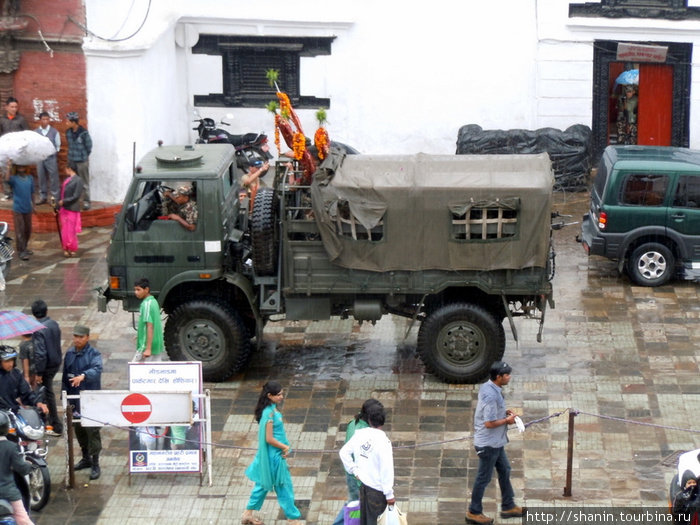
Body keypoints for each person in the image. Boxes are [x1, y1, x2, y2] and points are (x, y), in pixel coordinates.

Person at [466, 361, 525, 524]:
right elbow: (489, 423)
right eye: (506, 375)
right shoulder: (491, 395)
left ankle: (508, 505)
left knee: (505, 469)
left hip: (496, 442)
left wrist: (503, 412)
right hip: (488, 444)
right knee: (483, 478)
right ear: (498, 377)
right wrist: (507, 420)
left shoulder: (489, 387)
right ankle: (473, 511)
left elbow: (490, 412)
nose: (509, 377)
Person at [242, 381, 302, 525]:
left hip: (274, 455)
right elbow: (268, 438)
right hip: (274, 458)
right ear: (270, 396)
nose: (282, 396)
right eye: (279, 394)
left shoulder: (271, 409)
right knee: (284, 486)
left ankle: (247, 514)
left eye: (282, 393)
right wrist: (285, 447)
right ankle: (292, 518)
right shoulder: (269, 414)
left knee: (262, 486)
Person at [339, 402, 395, 525]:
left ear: (369, 419)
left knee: (365, 520)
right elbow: (387, 470)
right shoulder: (384, 442)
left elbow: (343, 452)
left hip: (364, 487)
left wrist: (354, 470)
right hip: (378, 492)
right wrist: (389, 494)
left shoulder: (360, 434)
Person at [62, 324, 102, 480]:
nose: (77, 340)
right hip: (74, 399)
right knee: (78, 428)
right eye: (75, 336)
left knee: (92, 430)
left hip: (90, 399)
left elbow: (97, 369)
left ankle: (95, 462)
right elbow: (65, 376)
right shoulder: (70, 353)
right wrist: (64, 397)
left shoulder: (94, 354)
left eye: (80, 337)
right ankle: (86, 458)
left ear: (87, 337)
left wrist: (83, 376)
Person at [31, 299, 63, 436]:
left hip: (46, 366)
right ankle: (46, 420)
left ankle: (55, 425)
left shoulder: (38, 330)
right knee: (46, 392)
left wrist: (39, 372)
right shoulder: (53, 324)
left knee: (46, 393)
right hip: (55, 361)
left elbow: (40, 354)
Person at [0, 411, 34, 525]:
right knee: (23, 520)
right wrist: (29, 466)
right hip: (8, 493)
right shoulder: (10, 447)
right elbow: (21, 468)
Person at [0, 347, 48, 416]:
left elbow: (26, 393)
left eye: (12, 360)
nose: (10, 364)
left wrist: (38, 402)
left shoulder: (16, 374)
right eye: (7, 361)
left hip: (13, 413)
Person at [0, 97, 29, 201]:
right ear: (6, 107)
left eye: (16, 107)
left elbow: (27, 134)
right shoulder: (2, 120)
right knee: (5, 171)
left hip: (18, 150)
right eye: (12, 107)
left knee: (18, 171)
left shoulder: (21, 119)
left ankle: (18, 192)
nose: (14, 109)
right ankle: (7, 193)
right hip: (5, 150)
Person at [5, 164, 34, 260]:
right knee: (20, 230)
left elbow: (32, 192)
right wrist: (8, 167)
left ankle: (24, 247)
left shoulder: (30, 178)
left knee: (28, 230)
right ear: (16, 168)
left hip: (28, 208)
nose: (21, 168)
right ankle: (21, 251)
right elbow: (7, 180)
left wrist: (33, 205)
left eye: (23, 167)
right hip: (18, 208)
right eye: (19, 167)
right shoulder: (14, 179)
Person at [64, 112, 92, 210]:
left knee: (84, 182)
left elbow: (89, 147)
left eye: (68, 121)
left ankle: (86, 201)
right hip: (72, 160)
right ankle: (73, 200)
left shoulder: (83, 133)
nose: (66, 123)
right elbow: (69, 144)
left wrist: (83, 156)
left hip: (82, 161)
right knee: (72, 182)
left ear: (73, 122)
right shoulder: (68, 132)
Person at [132, 277, 164, 362]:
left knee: (135, 371)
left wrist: (148, 348)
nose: (136, 293)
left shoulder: (146, 304)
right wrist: (140, 334)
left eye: (138, 290)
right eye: (135, 290)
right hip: (157, 344)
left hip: (146, 346)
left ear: (146, 289)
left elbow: (150, 326)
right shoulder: (154, 302)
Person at [57, 164, 84, 257]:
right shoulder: (67, 180)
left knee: (71, 230)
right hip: (64, 208)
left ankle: (72, 248)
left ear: (69, 169)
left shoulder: (78, 180)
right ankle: (65, 247)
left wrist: (64, 201)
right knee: (65, 230)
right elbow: (62, 194)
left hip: (72, 208)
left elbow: (76, 196)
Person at [34, 111, 61, 204]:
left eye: (47, 119)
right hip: (40, 158)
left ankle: (55, 198)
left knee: (54, 177)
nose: (45, 121)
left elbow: (58, 145)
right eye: (43, 119)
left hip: (51, 158)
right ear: (40, 120)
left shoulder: (54, 132)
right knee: (41, 177)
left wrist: (53, 152)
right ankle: (43, 197)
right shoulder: (36, 132)